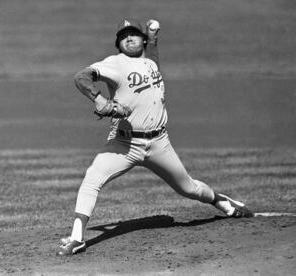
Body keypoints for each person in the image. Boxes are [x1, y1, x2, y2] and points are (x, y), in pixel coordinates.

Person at [57, 18, 253, 256]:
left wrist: (154, 38)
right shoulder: (115, 63)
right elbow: (81, 77)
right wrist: (103, 102)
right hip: (124, 143)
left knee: (188, 188)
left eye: (134, 34)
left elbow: (152, 63)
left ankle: (222, 202)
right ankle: (77, 238)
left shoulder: (150, 63)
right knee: (92, 178)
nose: (128, 38)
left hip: (160, 143)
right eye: (123, 36)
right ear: (118, 44)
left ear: (144, 40)